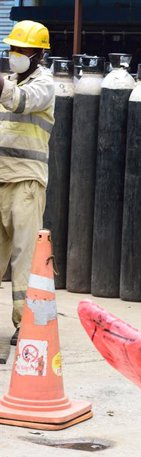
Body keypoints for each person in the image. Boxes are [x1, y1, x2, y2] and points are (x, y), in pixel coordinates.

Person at [0, 20, 55, 346]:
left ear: (38, 55)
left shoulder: (44, 84)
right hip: (1, 176)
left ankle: (28, 325)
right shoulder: (9, 82)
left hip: (26, 182)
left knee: (25, 258)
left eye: (22, 50)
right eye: (12, 48)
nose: (15, 54)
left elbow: (21, 101)